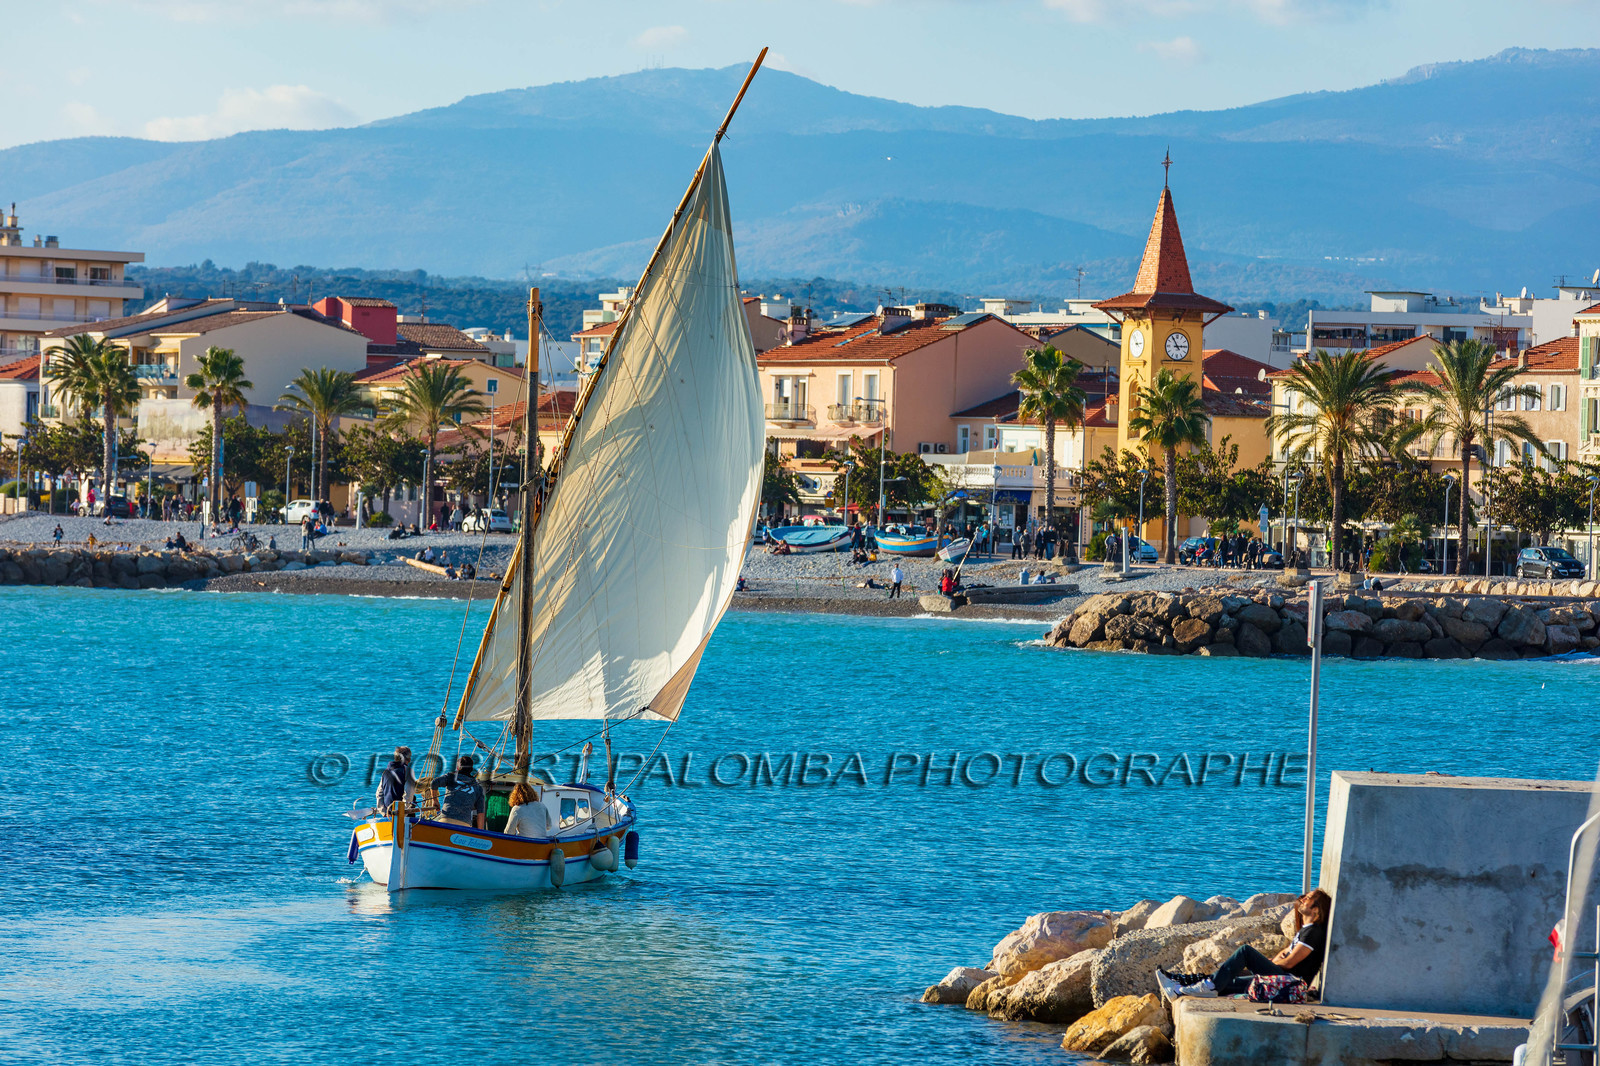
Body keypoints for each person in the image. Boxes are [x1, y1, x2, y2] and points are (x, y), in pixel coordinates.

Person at [1157, 888, 1332, 1000]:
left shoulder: (1313, 933)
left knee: (1245, 952)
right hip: (1283, 978)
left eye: (1308, 898)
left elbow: (1289, 962)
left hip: (1290, 983)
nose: (1303, 899)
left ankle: (1206, 986)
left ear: (1316, 909)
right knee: (1230, 981)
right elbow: (1285, 954)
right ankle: (1179, 988)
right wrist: (1274, 960)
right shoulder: (1306, 930)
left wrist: (1269, 963)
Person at [429, 755, 487, 828]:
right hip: (465, 825)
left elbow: (434, 783)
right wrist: (480, 831)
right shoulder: (478, 787)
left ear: (457, 767)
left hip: (446, 820)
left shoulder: (450, 777)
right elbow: (480, 812)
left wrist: (435, 801)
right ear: (471, 769)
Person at [374, 746, 416, 811]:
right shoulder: (408, 772)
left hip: (388, 812)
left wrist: (383, 811)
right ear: (409, 759)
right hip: (401, 813)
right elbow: (408, 794)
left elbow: (379, 793)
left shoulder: (386, 772)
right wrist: (402, 812)